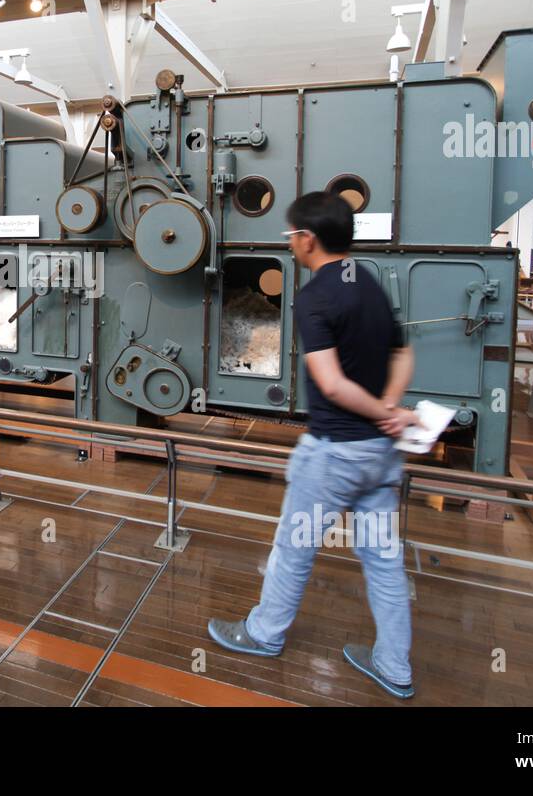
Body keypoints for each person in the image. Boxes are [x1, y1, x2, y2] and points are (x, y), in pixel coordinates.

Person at [207, 192, 421, 699]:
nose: (292, 243)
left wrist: (384, 412)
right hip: (378, 456)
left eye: (291, 235)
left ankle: (262, 634)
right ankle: (395, 665)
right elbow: (404, 353)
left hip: (334, 455)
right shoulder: (367, 282)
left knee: (293, 550)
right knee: (384, 561)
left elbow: (332, 385)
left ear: (307, 240)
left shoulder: (316, 296)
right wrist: (389, 412)